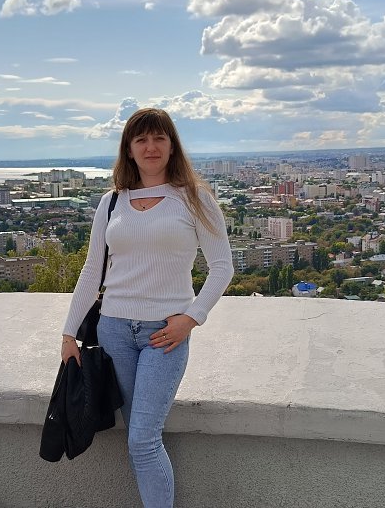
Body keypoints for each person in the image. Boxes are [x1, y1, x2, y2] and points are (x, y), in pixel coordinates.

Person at [61, 107, 234, 508]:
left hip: (165, 334)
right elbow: (92, 270)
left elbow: (222, 266)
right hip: (114, 331)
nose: (151, 147)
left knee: (143, 438)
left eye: (159, 138)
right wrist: (68, 333)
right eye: (141, 139)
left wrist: (191, 319)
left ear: (172, 146)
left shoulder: (195, 199)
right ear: (129, 149)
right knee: (135, 434)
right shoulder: (111, 202)